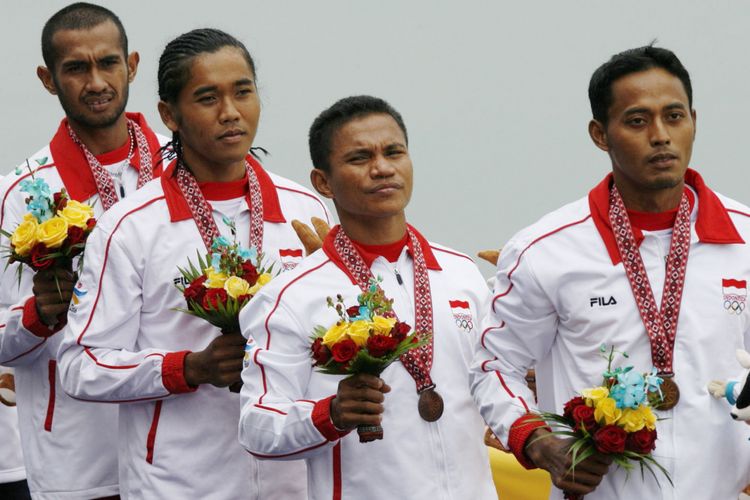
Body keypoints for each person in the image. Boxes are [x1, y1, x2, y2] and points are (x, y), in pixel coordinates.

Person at [57, 28, 329, 498]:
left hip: (294, 480)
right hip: (179, 482)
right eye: (207, 97)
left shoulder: (308, 210)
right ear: (170, 115)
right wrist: (189, 368)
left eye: (243, 92)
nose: (231, 112)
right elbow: (80, 365)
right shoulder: (131, 227)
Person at [472, 45, 750, 499]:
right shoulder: (547, 250)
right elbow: (491, 366)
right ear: (600, 135)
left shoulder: (744, 239)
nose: (660, 136)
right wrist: (541, 444)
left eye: (674, 116)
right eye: (637, 121)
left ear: (694, 121)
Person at [237, 95, 497, 500]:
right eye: (360, 158)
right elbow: (256, 425)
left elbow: (494, 385)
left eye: (394, 152)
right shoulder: (291, 296)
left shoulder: (461, 273)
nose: (382, 168)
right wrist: (331, 414)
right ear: (323, 182)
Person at [0, 3, 167, 498]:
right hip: (78, 459)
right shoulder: (21, 193)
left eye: (108, 63)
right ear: (48, 79)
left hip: (181, 451)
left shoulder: (187, 170)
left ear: (132, 65)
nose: (96, 82)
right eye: (76, 68)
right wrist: (37, 315)